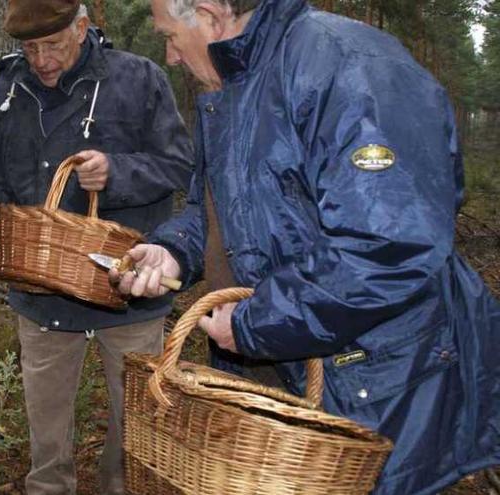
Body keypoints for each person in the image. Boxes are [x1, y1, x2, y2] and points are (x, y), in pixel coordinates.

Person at [111, 0, 500, 493]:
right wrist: (174, 250)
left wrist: (258, 323)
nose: (170, 55)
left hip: (374, 377)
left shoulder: (350, 66)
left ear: (210, 13)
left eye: (169, 36)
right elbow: (212, 207)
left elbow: (389, 244)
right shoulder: (230, 89)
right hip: (278, 363)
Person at [0, 0, 193, 492]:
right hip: (41, 291)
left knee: (135, 424)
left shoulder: (137, 79)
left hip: (129, 289)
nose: (42, 60)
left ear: (82, 27)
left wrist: (118, 173)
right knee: (46, 437)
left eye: (53, 45)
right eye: (30, 48)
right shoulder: (6, 90)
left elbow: (179, 164)